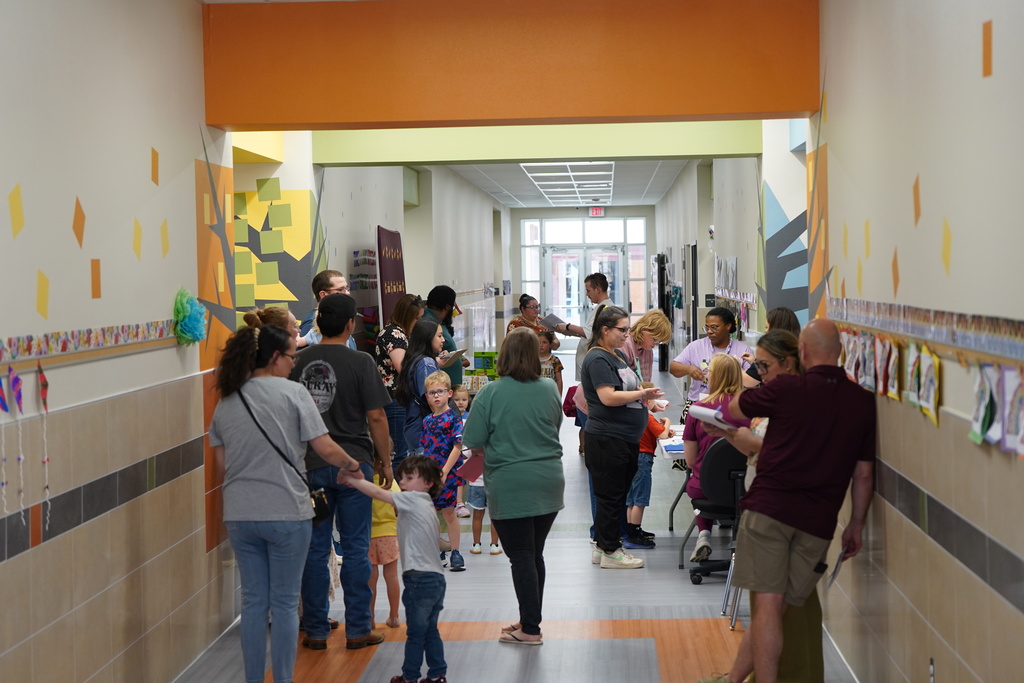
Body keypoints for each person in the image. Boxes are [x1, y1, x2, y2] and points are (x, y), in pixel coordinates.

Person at [700, 320, 877, 683]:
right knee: (778, 609)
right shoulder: (861, 401)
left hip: (770, 511)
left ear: (804, 353)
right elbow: (863, 474)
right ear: (840, 352)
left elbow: (731, 410)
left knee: (766, 609)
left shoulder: (787, 389)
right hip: (818, 523)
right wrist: (856, 524)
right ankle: (734, 680)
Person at [208, 324, 364, 683]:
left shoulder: (228, 400)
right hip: (286, 513)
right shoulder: (294, 394)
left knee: (252, 602)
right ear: (276, 357)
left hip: (241, 514)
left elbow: (222, 467)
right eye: (292, 356)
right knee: (283, 603)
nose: (295, 364)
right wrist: (353, 465)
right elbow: (324, 448)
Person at [704, 329, 824, 683]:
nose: (759, 374)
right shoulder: (788, 397)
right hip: (783, 510)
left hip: (778, 513)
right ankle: (734, 679)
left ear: (790, 362)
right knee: (770, 609)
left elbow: (785, 455)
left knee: (772, 609)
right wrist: (734, 436)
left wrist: (747, 441)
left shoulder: (797, 401)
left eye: (764, 365)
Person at [290, 293, 392, 651]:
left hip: (310, 468)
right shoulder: (360, 362)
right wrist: (386, 461)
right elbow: (377, 417)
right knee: (356, 547)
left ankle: (316, 631)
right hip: (354, 468)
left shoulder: (297, 362)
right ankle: (358, 630)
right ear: (350, 324)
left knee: (315, 552)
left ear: (318, 325)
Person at [462, 327, 565, 645]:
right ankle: (528, 620)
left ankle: (531, 630)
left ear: (504, 355)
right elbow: (556, 423)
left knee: (521, 556)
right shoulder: (548, 387)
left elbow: (472, 439)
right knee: (534, 554)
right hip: (549, 481)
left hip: (510, 483)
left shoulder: (491, 393)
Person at [340, 456, 450, 683]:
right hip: (436, 579)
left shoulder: (414, 499)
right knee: (430, 630)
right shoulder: (427, 505)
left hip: (419, 579)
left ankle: (409, 677)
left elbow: (381, 495)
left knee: (415, 634)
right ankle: (437, 673)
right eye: (402, 478)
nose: (404, 483)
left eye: (410, 478)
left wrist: (355, 479)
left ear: (428, 483)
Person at [580, 305, 664, 570]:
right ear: (605, 329)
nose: (627, 335)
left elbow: (634, 386)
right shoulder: (597, 359)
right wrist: (643, 396)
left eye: (628, 329)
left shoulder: (615, 355)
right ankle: (611, 551)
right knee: (611, 497)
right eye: (622, 330)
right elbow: (608, 397)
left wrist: (650, 404)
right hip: (607, 438)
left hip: (623, 439)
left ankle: (603, 546)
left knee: (614, 496)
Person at [681, 354, 751, 562]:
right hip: (748, 488)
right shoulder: (752, 410)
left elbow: (690, 461)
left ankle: (704, 535)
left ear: (715, 377)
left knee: (699, 477)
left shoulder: (698, 411)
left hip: (707, 488)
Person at [419, 371, 467, 572]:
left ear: (449, 393)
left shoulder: (454, 419)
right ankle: (438, 550)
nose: (436, 396)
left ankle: (455, 551)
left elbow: (458, 446)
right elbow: (425, 448)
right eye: (431, 393)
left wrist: (445, 471)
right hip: (429, 475)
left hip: (447, 474)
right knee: (432, 513)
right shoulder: (427, 420)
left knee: (449, 512)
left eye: (440, 391)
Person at [669, 306, 752, 414]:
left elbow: (752, 381)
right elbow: (673, 368)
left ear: (728, 326)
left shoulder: (743, 350)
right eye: (706, 327)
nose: (709, 331)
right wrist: (688, 369)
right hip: (698, 404)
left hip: (731, 406)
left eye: (714, 327)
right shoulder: (696, 346)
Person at [375, 293, 425, 469]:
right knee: (398, 453)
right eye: (416, 318)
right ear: (407, 316)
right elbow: (403, 367)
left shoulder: (404, 333)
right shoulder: (393, 334)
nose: (418, 322)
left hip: (401, 398)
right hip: (394, 399)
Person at [622, 399, 674, 550]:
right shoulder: (647, 416)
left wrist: (663, 430)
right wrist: (667, 422)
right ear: (648, 401)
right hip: (643, 459)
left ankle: (632, 530)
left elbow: (656, 432)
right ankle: (634, 536)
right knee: (640, 499)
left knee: (631, 499)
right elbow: (663, 435)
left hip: (632, 457)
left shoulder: (631, 414)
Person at [396, 318, 445, 455]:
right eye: (439, 336)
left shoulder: (413, 360)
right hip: (426, 433)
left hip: (415, 431)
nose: (443, 340)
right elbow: (434, 400)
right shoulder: (426, 363)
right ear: (428, 337)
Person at [369, 473, 402, 630]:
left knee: (370, 578)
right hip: (389, 532)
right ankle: (394, 616)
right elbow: (398, 506)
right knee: (392, 575)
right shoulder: (390, 482)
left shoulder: (364, 481)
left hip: (367, 533)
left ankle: (370, 619)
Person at [297, 269, 358, 350]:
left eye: (347, 288)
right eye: (340, 290)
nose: (347, 293)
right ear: (323, 294)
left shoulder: (339, 317)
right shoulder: (313, 323)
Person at [423, 285, 470, 386]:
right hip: (440, 388)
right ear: (448, 307)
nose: (443, 340)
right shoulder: (429, 323)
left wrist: (459, 358)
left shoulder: (437, 321)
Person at [743, 307, 801, 387]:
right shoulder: (801, 350)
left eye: (767, 327)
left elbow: (748, 381)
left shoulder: (772, 352)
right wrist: (755, 362)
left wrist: (734, 365)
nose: (765, 331)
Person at [619, 309, 673, 383]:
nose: (656, 344)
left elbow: (646, 380)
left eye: (659, 342)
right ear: (644, 330)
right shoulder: (624, 345)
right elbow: (624, 383)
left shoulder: (648, 349)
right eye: (655, 339)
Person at [452, 385, 472, 518]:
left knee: (462, 478)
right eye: (456, 399)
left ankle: (460, 502)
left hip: (467, 452)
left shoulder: (470, 416)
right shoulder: (450, 417)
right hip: (454, 452)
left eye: (464, 399)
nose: (460, 402)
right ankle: (456, 502)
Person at [537, 330, 563, 396]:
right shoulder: (532, 359)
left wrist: (559, 396)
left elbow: (559, 380)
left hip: (550, 394)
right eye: (538, 342)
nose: (541, 345)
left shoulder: (555, 360)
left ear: (550, 344)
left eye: (544, 342)